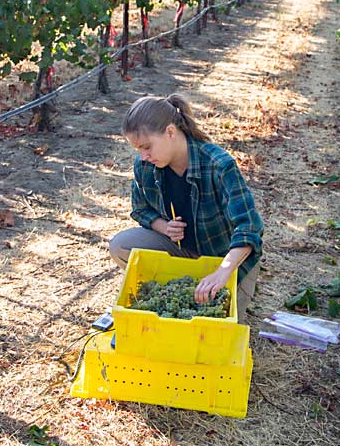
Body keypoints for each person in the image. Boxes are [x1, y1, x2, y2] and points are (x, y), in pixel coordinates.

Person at [108, 94, 263, 322]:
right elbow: (140, 209)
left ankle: (224, 282)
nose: (143, 156)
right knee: (120, 245)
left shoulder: (218, 164)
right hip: (182, 251)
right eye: (138, 150)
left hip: (223, 258)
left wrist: (223, 271)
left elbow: (249, 227)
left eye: (147, 147)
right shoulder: (146, 166)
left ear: (170, 132)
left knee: (218, 325)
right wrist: (163, 227)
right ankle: (180, 280)